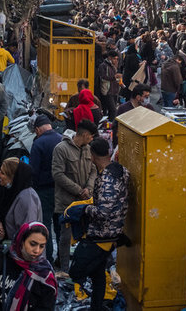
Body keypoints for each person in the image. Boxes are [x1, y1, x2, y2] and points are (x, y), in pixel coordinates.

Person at [69, 138, 129, 311]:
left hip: (102, 234)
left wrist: (84, 209)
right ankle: (96, 307)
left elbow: (103, 213)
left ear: (93, 155)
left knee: (77, 271)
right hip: (115, 231)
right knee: (98, 276)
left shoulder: (106, 181)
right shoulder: (122, 171)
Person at [0, 222, 57, 311]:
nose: (37, 250)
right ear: (21, 241)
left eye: (42, 246)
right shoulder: (0, 256)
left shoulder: (44, 275)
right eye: (33, 244)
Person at [52, 120, 98, 275]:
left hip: (84, 203)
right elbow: (58, 174)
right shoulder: (61, 149)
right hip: (66, 203)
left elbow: (93, 170)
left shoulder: (87, 149)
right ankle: (65, 271)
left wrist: (89, 189)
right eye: (91, 136)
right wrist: (79, 190)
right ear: (84, 135)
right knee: (65, 239)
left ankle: (79, 270)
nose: (92, 139)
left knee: (83, 237)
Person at [29, 114, 63, 262]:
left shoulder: (38, 143)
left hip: (44, 191)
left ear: (37, 129)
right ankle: (62, 258)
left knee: (45, 226)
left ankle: (46, 259)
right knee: (60, 225)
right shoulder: (61, 139)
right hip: (61, 189)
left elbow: (33, 171)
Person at [0, 158, 43, 241]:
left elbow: (28, 233)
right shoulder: (10, 191)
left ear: (13, 177)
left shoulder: (27, 199)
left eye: (3, 173)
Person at [98, 49, 121, 119]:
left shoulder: (113, 66)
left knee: (111, 110)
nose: (116, 60)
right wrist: (114, 77)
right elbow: (103, 77)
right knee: (113, 110)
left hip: (114, 90)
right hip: (108, 91)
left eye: (117, 59)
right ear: (109, 58)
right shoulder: (103, 66)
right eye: (114, 59)